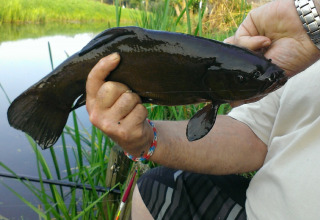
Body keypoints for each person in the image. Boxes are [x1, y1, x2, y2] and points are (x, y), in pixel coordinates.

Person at [85, 0, 320, 219]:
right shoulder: (307, 50)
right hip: (258, 206)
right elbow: (254, 133)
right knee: (152, 187)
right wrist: (146, 140)